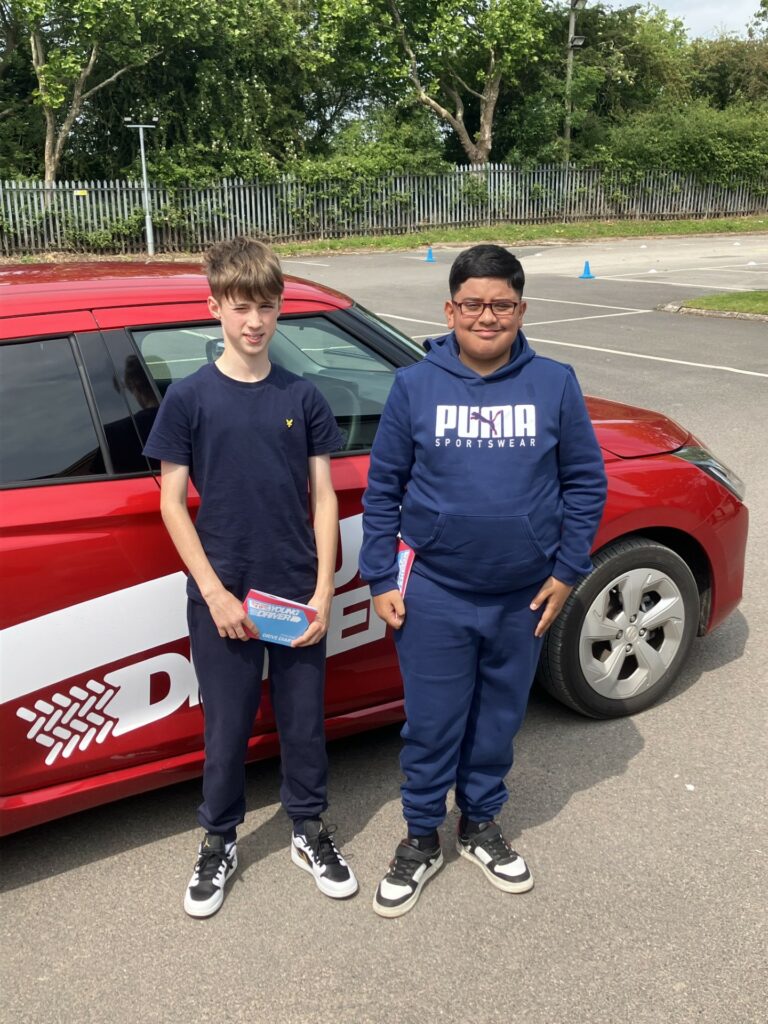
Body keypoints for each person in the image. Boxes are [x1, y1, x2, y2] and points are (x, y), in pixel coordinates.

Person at [359, 244, 607, 918]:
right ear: (450, 310)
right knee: (431, 724)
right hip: (435, 593)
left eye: (502, 304)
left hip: (522, 596)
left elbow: (586, 483)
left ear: (522, 310)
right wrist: (380, 575)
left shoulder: (555, 383)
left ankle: (479, 825)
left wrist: (567, 571)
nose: (487, 316)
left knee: (497, 722)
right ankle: (420, 838)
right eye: (473, 304)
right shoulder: (414, 386)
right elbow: (382, 490)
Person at [143, 236, 358, 917]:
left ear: (280, 308)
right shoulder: (189, 398)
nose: (255, 321)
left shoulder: (303, 395)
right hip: (225, 592)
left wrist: (323, 592)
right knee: (227, 728)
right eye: (240, 308)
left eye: (266, 307)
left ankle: (309, 829)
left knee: (303, 724)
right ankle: (218, 838)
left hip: (292, 589)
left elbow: (324, 498)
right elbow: (171, 504)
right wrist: (214, 593)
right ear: (215, 308)